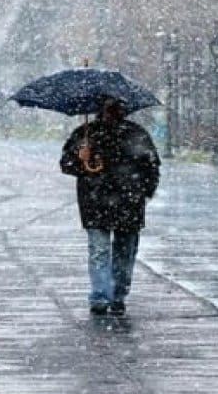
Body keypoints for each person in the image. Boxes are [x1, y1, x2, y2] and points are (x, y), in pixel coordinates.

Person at [60, 96, 161, 315]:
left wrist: (144, 191)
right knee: (102, 250)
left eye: (114, 108)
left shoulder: (136, 134)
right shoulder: (86, 134)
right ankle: (101, 296)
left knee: (122, 252)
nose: (111, 113)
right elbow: (66, 164)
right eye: (107, 108)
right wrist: (80, 157)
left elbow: (152, 166)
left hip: (126, 203)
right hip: (98, 202)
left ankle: (116, 294)